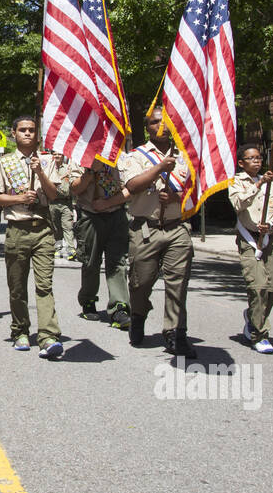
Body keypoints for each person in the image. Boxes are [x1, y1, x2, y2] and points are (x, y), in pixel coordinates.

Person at [0, 116, 68, 359]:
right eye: (22, 130)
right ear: (13, 133)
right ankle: (20, 330)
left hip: (43, 229)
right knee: (17, 287)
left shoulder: (46, 160)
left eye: (32, 130)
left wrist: (40, 172)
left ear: (38, 134)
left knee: (44, 285)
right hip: (17, 229)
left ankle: (48, 336)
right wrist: (19, 199)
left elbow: (55, 195)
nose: (27, 134)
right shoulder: (5, 162)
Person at [120, 107, 193, 355]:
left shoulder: (186, 156)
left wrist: (177, 197)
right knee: (141, 282)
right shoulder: (134, 156)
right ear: (147, 127)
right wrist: (160, 167)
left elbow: (195, 191)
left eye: (165, 122)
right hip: (145, 228)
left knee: (178, 283)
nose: (160, 126)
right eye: (154, 123)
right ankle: (138, 314)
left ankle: (175, 334)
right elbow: (133, 185)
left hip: (176, 228)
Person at [69, 149, 134, 330]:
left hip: (116, 214)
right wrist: (91, 171)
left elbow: (131, 188)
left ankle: (119, 307)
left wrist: (109, 203)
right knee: (90, 261)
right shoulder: (81, 155)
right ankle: (88, 299)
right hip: (90, 215)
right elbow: (74, 188)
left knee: (118, 262)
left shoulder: (121, 156)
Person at [230, 145, 273, 354]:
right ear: (241, 163)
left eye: (259, 157)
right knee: (258, 285)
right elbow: (238, 203)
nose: (256, 161)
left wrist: (270, 224)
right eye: (251, 158)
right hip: (248, 239)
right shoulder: (236, 182)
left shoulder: (272, 184)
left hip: (268, 238)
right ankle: (258, 333)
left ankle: (254, 315)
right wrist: (259, 184)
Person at [47, 151, 76, 260]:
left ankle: (71, 249)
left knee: (67, 226)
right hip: (53, 202)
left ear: (63, 156)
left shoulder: (68, 168)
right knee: (55, 227)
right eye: (55, 154)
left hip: (66, 202)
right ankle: (57, 248)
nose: (57, 156)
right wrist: (62, 176)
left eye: (59, 154)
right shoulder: (49, 168)